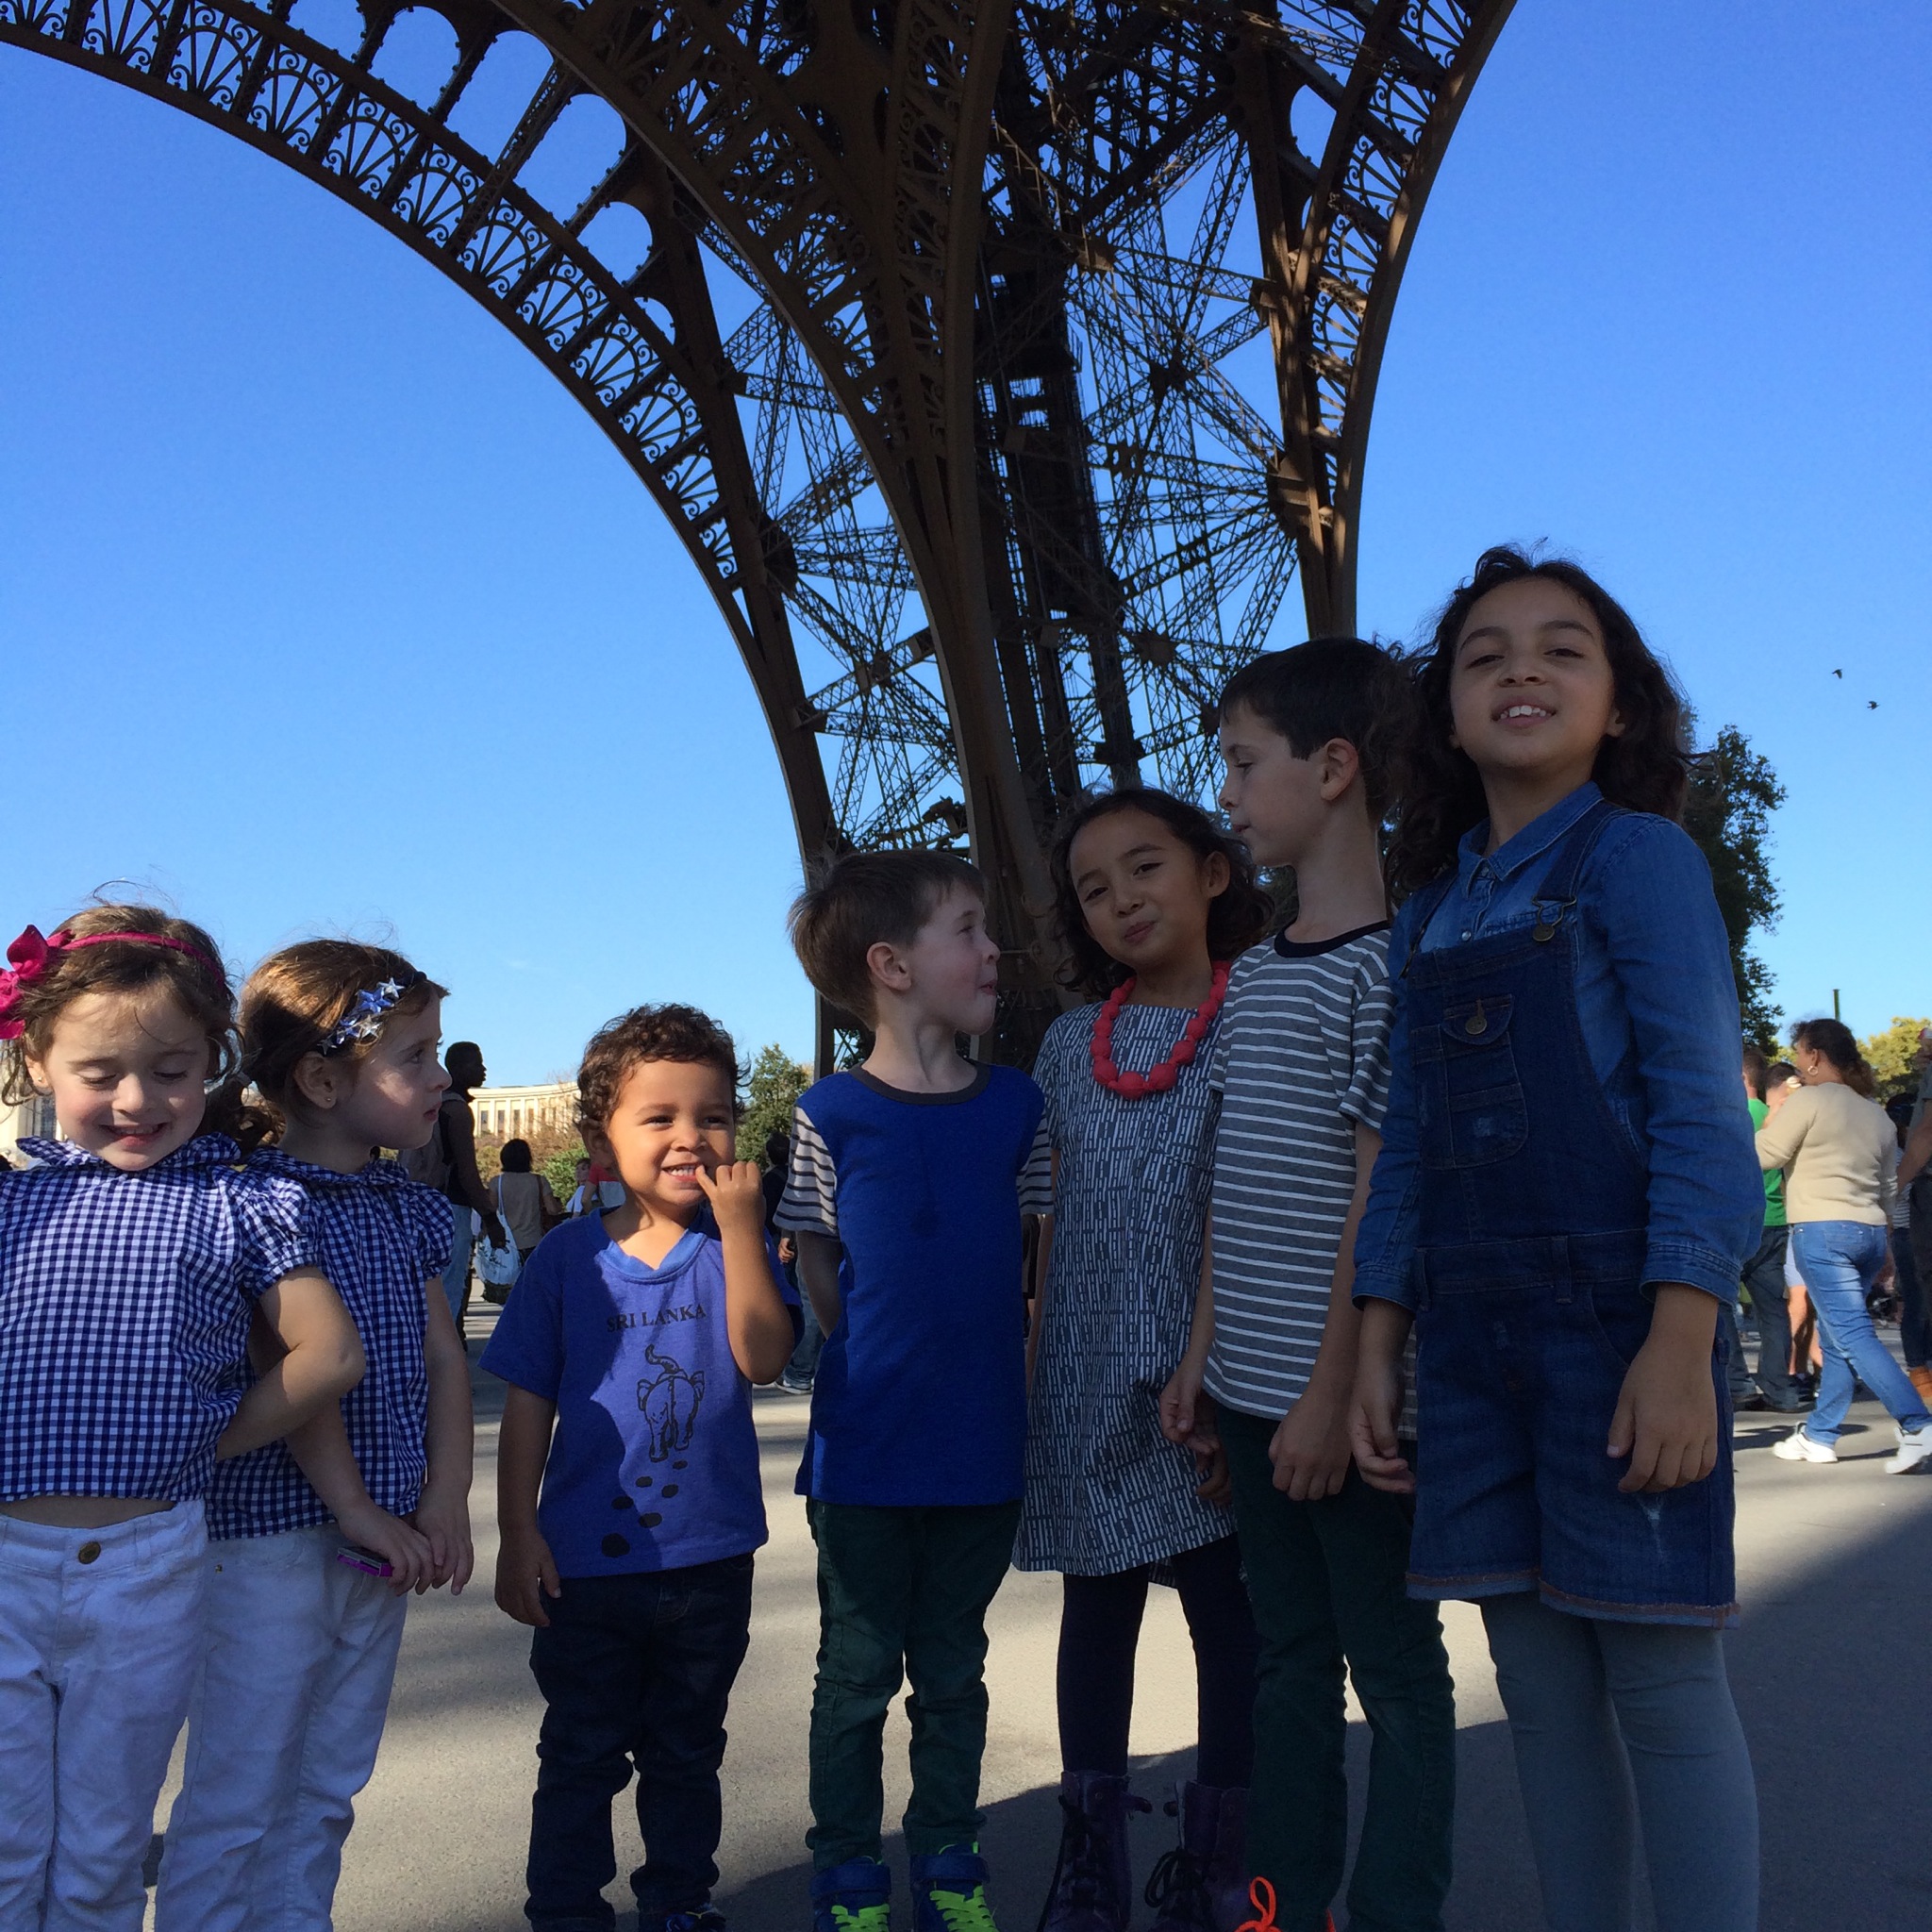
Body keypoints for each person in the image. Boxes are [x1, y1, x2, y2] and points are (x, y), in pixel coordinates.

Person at [1349, 548, 1765, 1932]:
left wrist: (1683, 1337)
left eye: (1561, 647)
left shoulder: (1637, 858)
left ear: (1621, 705)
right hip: (1470, 1344)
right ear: (1446, 716)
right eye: (1484, 653)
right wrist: (1378, 1337)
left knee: (1661, 1682)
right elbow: (1408, 1142)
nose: (1520, 667)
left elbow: (1701, 1109)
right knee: (1534, 1690)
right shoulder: (1427, 911)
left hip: (1617, 1328)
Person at [1162, 641, 1457, 1932]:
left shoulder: (1389, 970)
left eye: (1241, 763)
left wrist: (1331, 1398)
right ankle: (1279, 1904)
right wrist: (1202, 1356)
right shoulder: (1256, 980)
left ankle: (1392, 1910)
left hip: (1348, 1402)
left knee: (1392, 1671)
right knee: (1289, 1660)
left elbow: (1379, 1198)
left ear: (1334, 768)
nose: (1224, 793)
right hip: (1249, 1391)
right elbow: (1236, 1184)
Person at [0, 906, 363, 1931]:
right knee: (6, 1850)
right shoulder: (8, 1202)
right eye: (99, 1071)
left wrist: (196, 1447)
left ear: (214, 1059)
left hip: (150, 1562)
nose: (136, 1098)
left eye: (170, 1069)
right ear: (36, 1060)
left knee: (103, 1852)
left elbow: (329, 1353)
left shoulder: (239, 1201)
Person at [158, 941, 475, 1930]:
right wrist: (357, 1507)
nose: (441, 1077)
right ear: (323, 1080)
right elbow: (291, 1370)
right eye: (416, 1056)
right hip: (269, 1534)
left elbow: (444, 1359)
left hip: (381, 1533)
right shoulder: (254, 1199)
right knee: (240, 1786)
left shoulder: (405, 1205)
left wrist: (445, 1498)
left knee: (329, 1780)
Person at [774, 852, 1053, 1932]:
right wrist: (874, 1352)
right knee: (853, 1674)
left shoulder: (1018, 1106)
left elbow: (1038, 1255)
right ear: (891, 965)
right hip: (865, 1454)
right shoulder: (828, 1112)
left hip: (980, 1446)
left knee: (951, 1670)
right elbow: (815, 1259)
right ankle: (847, 1873)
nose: (993, 950)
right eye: (967, 929)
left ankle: (947, 1858)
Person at [484, 1005, 796, 1932]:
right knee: (580, 1752)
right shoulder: (565, 1261)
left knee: (686, 1750)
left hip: (709, 1560)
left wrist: (744, 1228)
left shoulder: (730, 1249)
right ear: (600, 1141)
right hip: (583, 1566)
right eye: (659, 1117)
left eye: (712, 1116)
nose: (689, 1137)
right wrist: (517, 1532)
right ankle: (565, 1908)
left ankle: (678, 1900)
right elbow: (528, 1403)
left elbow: (763, 1357)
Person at [1024, 789, 1270, 1932]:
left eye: (1144, 866)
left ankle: (1218, 1863)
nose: (1121, 897)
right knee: (1097, 1603)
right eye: (1093, 887)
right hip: (1084, 1359)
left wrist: (1217, 1362)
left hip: (1207, 1361)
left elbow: (1256, 1201)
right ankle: (1090, 1862)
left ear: (1211, 871)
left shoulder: (1257, 1009)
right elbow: (1040, 1217)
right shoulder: (1066, 1045)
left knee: (1227, 1611)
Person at [1753, 1018, 1932, 1471]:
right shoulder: (1874, 1113)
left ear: (1814, 1055)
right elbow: (1887, 1187)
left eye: (1799, 1052)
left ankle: (1918, 1425)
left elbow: (1767, 1155)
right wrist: (1885, 1240)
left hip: (1821, 1229)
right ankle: (1820, 1435)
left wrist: (1772, 1115)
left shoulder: (1807, 1101)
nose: (1796, 1061)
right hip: (1868, 1232)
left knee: (1850, 1333)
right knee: (1836, 1339)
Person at [403, 1040, 504, 1332]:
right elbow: (466, 1172)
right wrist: (490, 1219)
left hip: (418, 1204)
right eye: (476, 1062)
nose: (483, 1069)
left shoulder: (429, 1105)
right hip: (451, 1208)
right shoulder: (457, 1111)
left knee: (424, 1289)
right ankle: (442, 1351)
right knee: (448, 1290)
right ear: (457, 1068)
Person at [1732, 1046, 1803, 1413]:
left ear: (1741, 1076)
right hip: (1774, 1219)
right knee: (1773, 1310)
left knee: (1721, 1305)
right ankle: (1778, 1388)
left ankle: (1736, 1382)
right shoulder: (1778, 1115)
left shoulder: (1735, 1114)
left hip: (1738, 1218)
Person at [1884, 1096, 1932, 1404]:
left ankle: (1925, 1363)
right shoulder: (1898, 1156)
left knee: (1923, 1303)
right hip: (1903, 1234)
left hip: (1915, 1230)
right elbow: (1893, 1195)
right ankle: (1918, 1368)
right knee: (1915, 1303)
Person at [767, 1130, 821, 1393]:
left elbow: (797, 1198)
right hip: (839, 1234)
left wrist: (786, 1235)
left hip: (809, 1235)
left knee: (807, 1305)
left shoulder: (781, 1177)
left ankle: (800, 1371)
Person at [492, 1137, 563, 1278]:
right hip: (534, 1241)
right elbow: (552, 1210)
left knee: (506, 1282)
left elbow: (490, 1211)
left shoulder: (496, 1183)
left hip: (506, 1243)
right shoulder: (539, 1181)